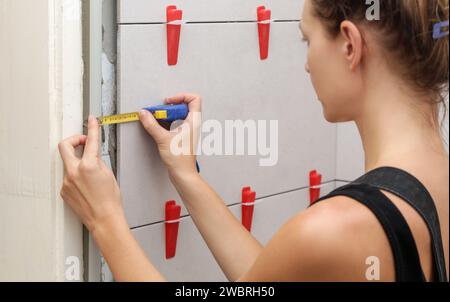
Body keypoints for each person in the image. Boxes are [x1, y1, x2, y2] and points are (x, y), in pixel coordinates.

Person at [58, 0, 449, 281]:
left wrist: (105, 220)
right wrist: (187, 176)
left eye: (306, 40)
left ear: (350, 45)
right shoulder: (433, 185)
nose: (307, 62)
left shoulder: (337, 228)